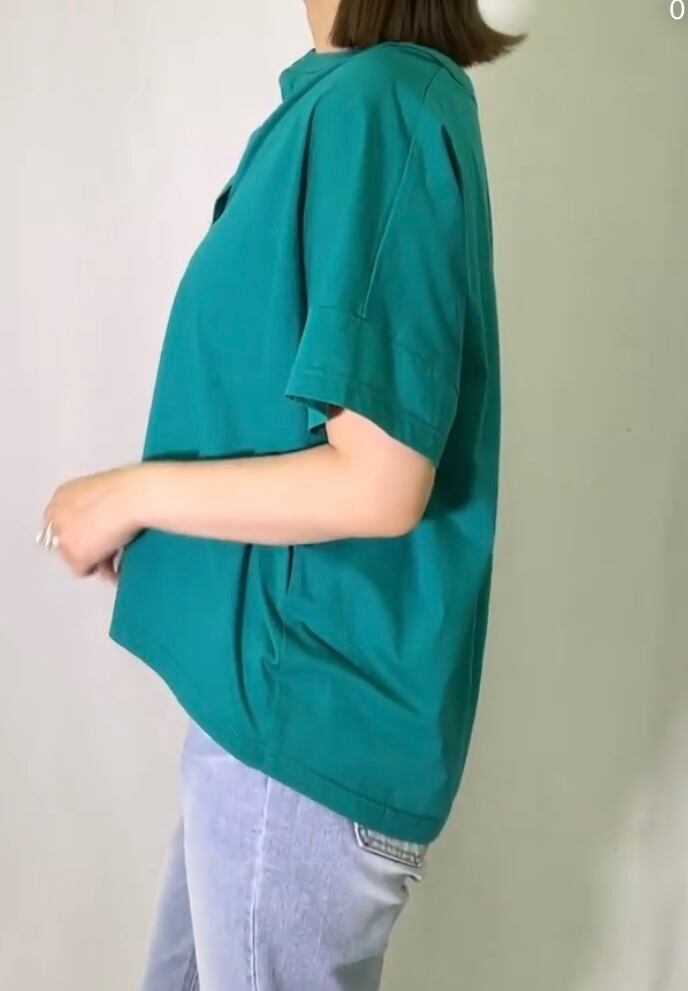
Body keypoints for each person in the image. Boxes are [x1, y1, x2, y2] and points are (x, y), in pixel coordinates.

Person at [38, 1, 525, 988]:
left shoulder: (382, 105)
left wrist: (132, 495)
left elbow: (380, 481)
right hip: (269, 733)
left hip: (298, 742)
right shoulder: (356, 104)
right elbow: (288, 427)